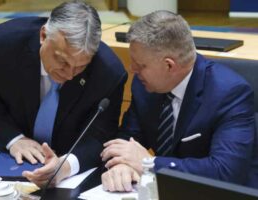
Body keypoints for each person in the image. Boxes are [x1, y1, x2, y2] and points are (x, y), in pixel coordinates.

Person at [0, 1, 127, 187]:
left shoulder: (109, 73)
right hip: (14, 159)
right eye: (62, 61)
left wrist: (65, 166)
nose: (69, 74)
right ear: (43, 35)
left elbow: (101, 135)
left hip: (73, 171)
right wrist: (14, 139)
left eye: (80, 66)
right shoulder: (4, 43)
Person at [100, 10, 255, 192]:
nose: (132, 69)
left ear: (169, 65)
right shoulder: (144, 86)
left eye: (140, 65)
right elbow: (127, 139)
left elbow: (226, 171)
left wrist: (150, 163)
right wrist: (122, 165)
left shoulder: (229, 93)